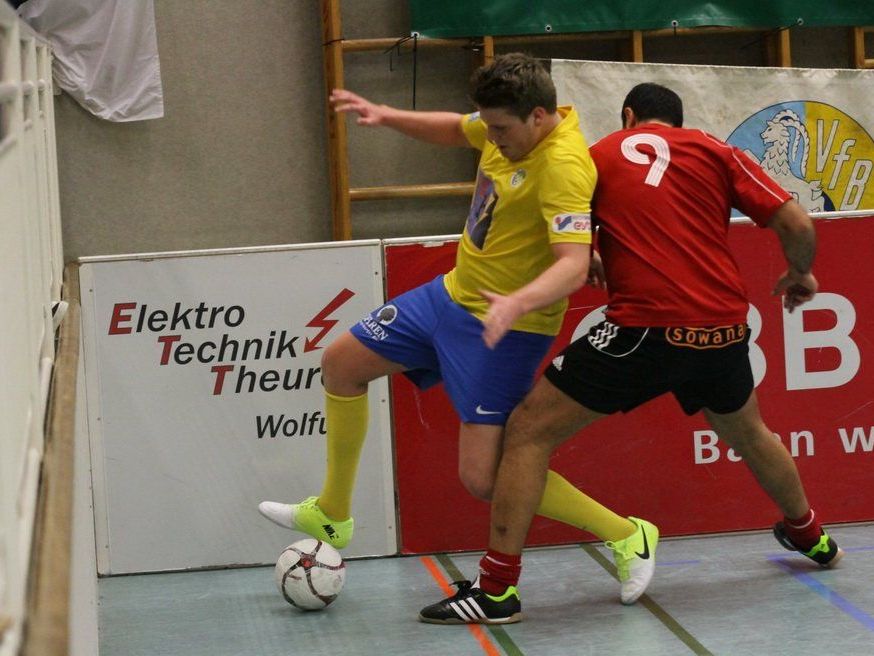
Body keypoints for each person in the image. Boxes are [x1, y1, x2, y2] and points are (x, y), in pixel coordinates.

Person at [419, 82, 843, 625]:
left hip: (644, 330)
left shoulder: (596, 156)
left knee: (527, 430)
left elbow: (559, 226)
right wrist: (800, 272)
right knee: (749, 434)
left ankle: (497, 590)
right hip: (722, 331)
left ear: (627, 117)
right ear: (679, 121)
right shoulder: (717, 150)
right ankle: (812, 536)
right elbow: (798, 223)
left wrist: (589, 253)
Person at [259, 54, 659, 604]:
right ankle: (332, 513)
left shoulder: (563, 165)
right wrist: (385, 114)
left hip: (505, 329)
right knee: (341, 363)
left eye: (501, 129)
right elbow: (455, 128)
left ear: (538, 116)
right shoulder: (506, 128)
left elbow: (572, 263)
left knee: (487, 478)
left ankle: (628, 534)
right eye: (488, 126)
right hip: (448, 297)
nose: (491, 138)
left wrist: (515, 303)